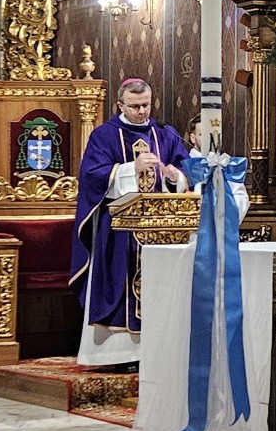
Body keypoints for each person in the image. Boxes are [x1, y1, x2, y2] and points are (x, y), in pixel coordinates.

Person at [71, 78, 190, 369]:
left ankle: (156, 351)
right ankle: (118, 354)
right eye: (135, 106)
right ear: (120, 105)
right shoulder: (104, 135)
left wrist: (175, 176)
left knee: (159, 288)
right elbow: (91, 176)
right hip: (118, 230)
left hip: (159, 228)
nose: (142, 111)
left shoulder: (165, 134)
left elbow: (186, 167)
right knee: (119, 286)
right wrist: (129, 169)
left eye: (146, 105)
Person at [185, 114, 249, 226]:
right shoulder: (185, 164)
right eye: (203, 135)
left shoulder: (225, 163)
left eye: (212, 135)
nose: (209, 140)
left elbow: (241, 198)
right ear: (193, 138)